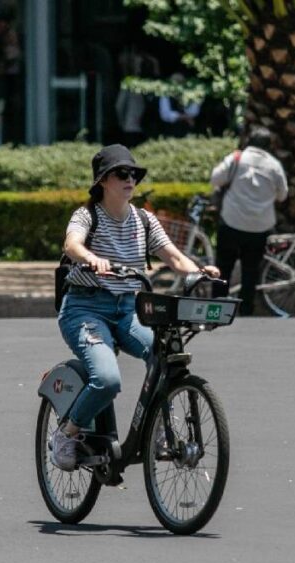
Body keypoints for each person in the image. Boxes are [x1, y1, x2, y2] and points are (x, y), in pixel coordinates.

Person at [49, 144, 220, 471]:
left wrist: (198, 270)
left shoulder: (144, 220)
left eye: (134, 174)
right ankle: (66, 433)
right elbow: (71, 244)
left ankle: (158, 429)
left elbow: (171, 255)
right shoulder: (87, 215)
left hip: (130, 308)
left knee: (164, 357)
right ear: (103, 181)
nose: (130, 179)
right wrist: (91, 258)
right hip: (85, 309)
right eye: (121, 174)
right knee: (107, 379)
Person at [210, 126, 288, 316]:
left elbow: (215, 178)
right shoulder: (274, 165)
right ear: (269, 146)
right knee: (251, 270)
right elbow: (283, 195)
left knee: (223, 267)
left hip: (231, 223)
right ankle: (246, 310)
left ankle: (217, 310)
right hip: (260, 228)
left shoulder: (237, 158)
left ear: (248, 141)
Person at [158, 73, 200, 138]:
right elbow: (165, 115)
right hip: (171, 131)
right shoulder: (165, 96)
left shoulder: (190, 95)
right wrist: (184, 117)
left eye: (180, 83)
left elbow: (194, 112)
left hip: (188, 131)